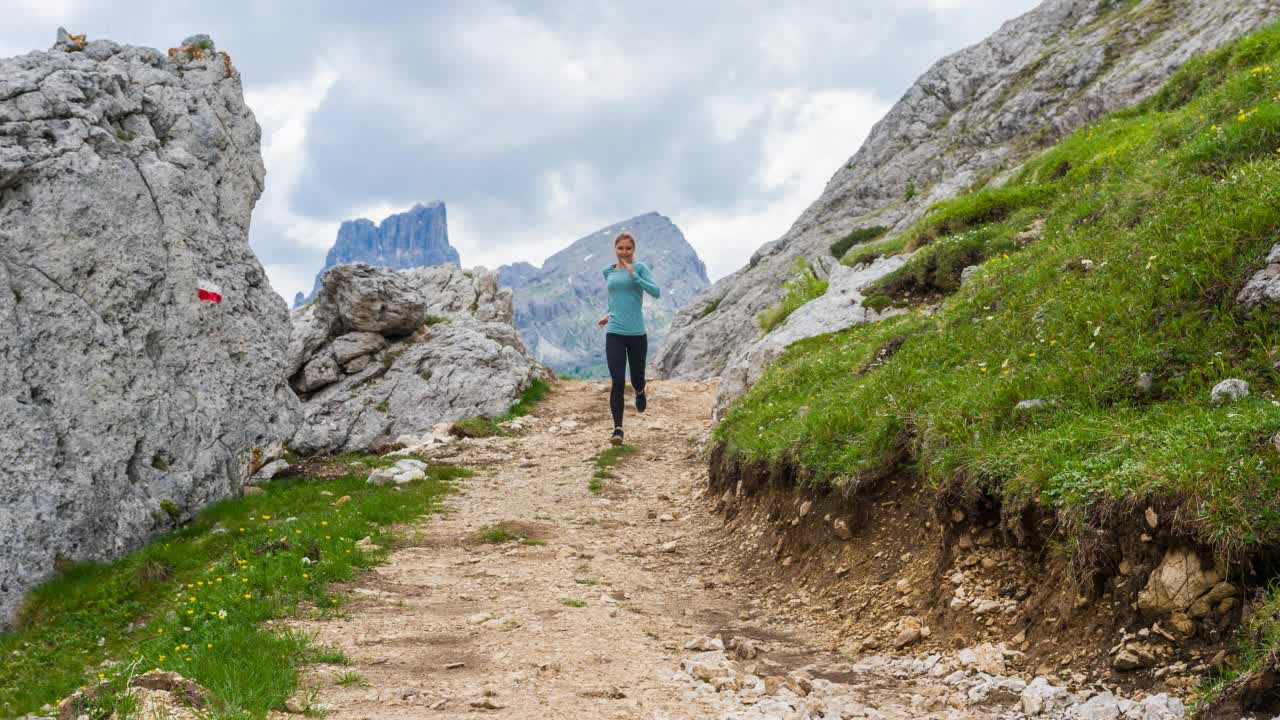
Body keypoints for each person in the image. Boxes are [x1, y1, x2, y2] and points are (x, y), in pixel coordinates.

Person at [597, 231, 660, 445]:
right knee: (617, 380)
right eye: (620, 248)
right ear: (615, 249)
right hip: (614, 331)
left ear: (633, 250)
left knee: (636, 378)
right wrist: (608, 314)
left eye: (628, 248)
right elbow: (615, 298)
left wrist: (635, 275)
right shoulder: (608, 272)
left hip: (636, 334)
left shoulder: (640, 268)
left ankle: (640, 390)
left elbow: (656, 291)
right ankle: (618, 429)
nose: (624, 252)